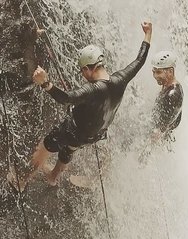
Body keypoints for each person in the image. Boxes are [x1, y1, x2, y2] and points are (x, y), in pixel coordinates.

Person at [10, 22, 152, 190]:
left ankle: (22, 180)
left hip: (74, 131)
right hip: (95, 135)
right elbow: (139, 61)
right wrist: (147, 34)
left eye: (82, 71)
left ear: (87, 69)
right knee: (68, 150)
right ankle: (53, 177)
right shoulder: (121, 79)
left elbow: (67, 98)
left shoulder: (92, 89)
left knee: (45, 146)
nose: (83, 75)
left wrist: (46, 83)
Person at [139, 50, 183, 162]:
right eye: (153, 72)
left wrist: (145, 154)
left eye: (158, 73)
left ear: (170, 71)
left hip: (162, 142)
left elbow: (161, 129)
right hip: (160, 136)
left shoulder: (173, 95)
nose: (155, 76)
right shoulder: (167, 85)